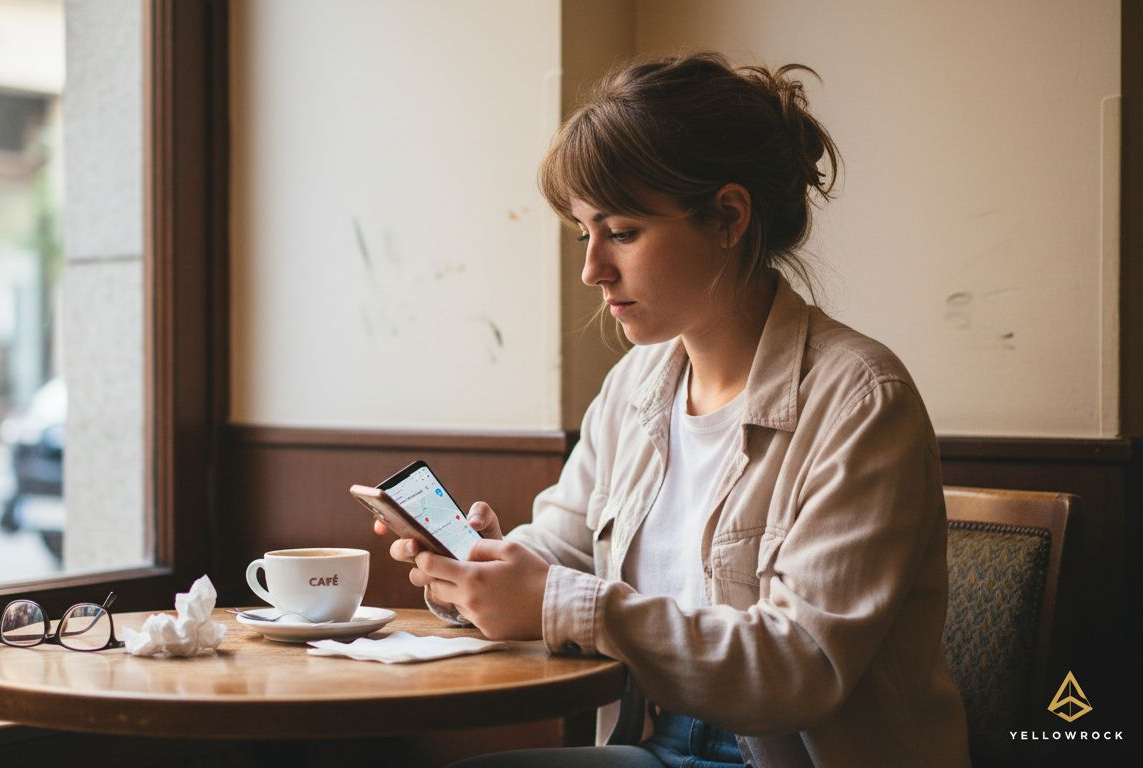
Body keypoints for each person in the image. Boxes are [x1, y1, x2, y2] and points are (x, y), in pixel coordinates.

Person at [376, 52, 970, 767]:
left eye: (622, 232)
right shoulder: (635, 386)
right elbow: (563, 552)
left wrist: (556, 601)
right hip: (653, 746)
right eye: (584, 234)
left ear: (728, 217)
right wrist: (480, 571)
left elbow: (801, 666)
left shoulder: (861, 400)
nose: (593, 269)